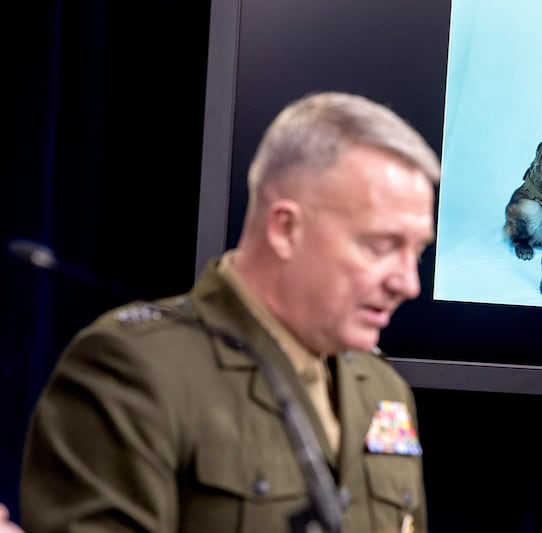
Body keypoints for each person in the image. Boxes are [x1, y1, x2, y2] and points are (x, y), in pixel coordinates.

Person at [20, 91, 440, 533]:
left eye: (416, 252)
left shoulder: (382, 387)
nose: (408, 284)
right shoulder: (134, 370)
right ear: (285, 228)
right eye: (380, 246)